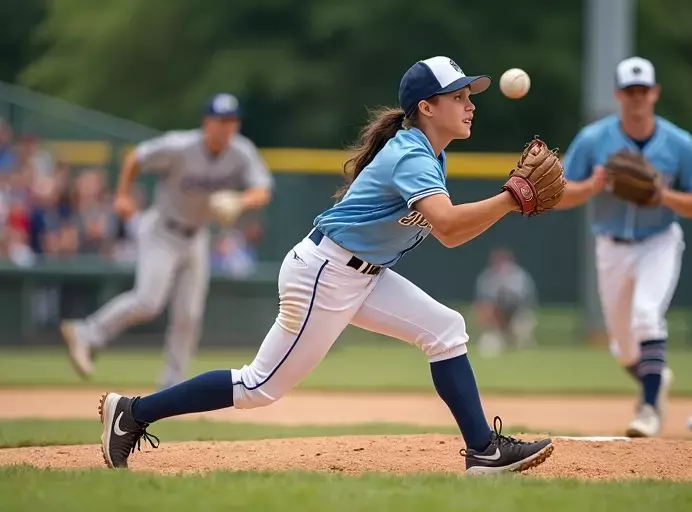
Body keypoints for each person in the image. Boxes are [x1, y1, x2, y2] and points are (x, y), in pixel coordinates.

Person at [96, 56, 561, 474]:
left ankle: (483, 450)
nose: (470, 104)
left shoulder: (429, 155)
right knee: (258, 387)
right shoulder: (412, 154)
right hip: (327, 273)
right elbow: (449, 226)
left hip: (362, 275)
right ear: (427, 107)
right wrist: (510, 198)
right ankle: (133, 413)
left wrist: (509, 200)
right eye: (457, 96)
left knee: (445, 330)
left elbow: (449, 233)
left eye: (468, 96)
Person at [61, 93, 274, 390]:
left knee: (189, 314)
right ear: (206, 122)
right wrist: (122, 194)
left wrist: (241, 201)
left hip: (196, 236)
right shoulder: (179, 146)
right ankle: (87, 333)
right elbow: (136, 158)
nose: (226, 127)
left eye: (231, 121)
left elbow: (263, 189)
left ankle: (172, 383)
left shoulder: (241, 151)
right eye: (220, 120)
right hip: (162, 230)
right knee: (148, 301)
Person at [556, 57, 692, 437]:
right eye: (630, 91)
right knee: (624, 348)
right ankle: (655, 376)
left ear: (655, 93)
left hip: (659, 241)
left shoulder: (679, 143)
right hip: (611, 246)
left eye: (643, 90)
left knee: (646, 315)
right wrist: (590, 186)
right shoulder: (594, 139)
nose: (637, 98)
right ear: (618, 94)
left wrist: (664, 195)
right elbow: (558, 194)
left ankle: (648, 408)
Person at [474, 249, 538, 356]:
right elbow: (483, 304)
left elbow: (526, 301)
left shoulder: (519, 276)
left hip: (517, 314)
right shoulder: (487, 278)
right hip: (496, 317)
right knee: (490, 342)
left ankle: (523, 351)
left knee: (523, 325)